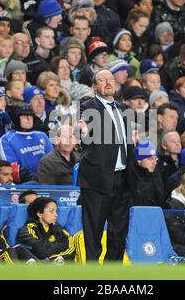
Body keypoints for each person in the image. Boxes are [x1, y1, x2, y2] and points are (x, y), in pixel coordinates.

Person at [77, 69, 134, 262]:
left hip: (123, 178)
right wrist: (84, 134)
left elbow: (129, 143)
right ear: (94, 87)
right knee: (93, 231)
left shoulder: (125, 109)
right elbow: (87, 138)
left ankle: (113, 271)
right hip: (97, 180)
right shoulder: (86, 107)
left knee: (119, 232)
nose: (108, 83)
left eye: (110, 79)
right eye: (102, 80)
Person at [0, 105, 53, 182]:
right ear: (16, 119)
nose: (29, 119)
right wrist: (36, 178)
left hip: (46, 180)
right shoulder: (7, 139)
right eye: (24, 116)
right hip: (23, 183)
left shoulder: (42, 136)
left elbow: (52, 161)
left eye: (31, 116)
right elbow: (11, 168)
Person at [18, 197, 75, 262]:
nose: (56, 215)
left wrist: (51, 257)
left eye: (56, 211)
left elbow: (71, 249)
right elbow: (41, 251)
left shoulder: (59, 229)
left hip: (56, 265)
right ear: (39, 213)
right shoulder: (29, 229)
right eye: (51, 211)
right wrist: (61, 245)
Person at [128, 140, 165, 207]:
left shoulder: (157, 178)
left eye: (155, 159)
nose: (155, 163)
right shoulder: (129, 181)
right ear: (139, 160)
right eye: (150, 159)